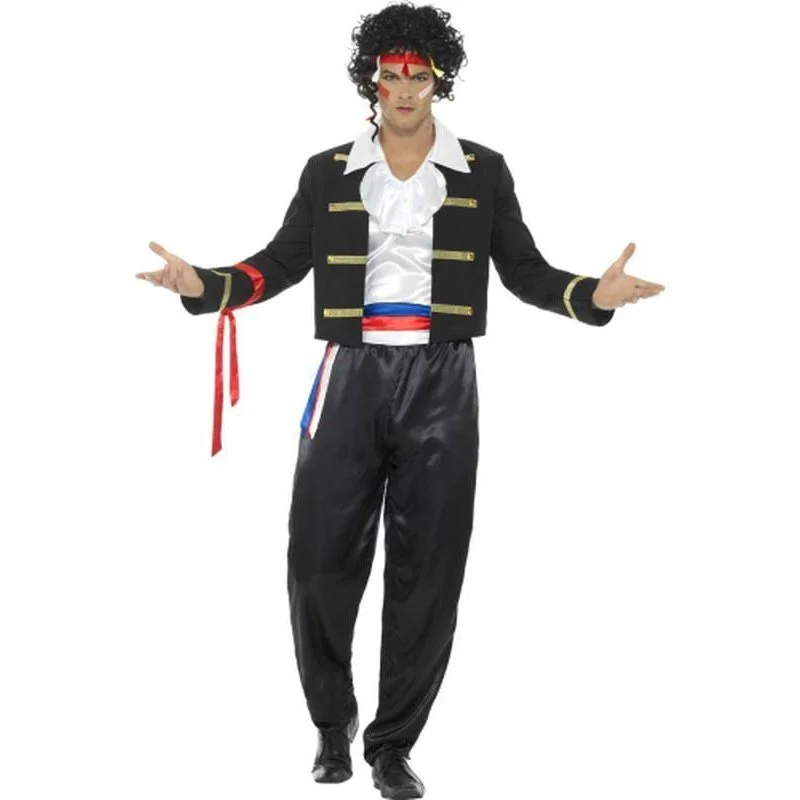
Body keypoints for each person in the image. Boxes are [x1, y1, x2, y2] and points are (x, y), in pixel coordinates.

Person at [136, 3, 665, 797]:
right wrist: (202, 285)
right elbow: (280, 262)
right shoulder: (327, 170)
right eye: (392, 74)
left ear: (439, 80)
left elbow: (524, 271)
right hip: (349, 373)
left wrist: (592, 294)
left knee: (430, 568)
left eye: (421, 74)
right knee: (317, 559)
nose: (407, 87)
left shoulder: (484, 169)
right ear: (372, 80)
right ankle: (331, 723)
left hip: (444, 379)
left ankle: (391, 746)